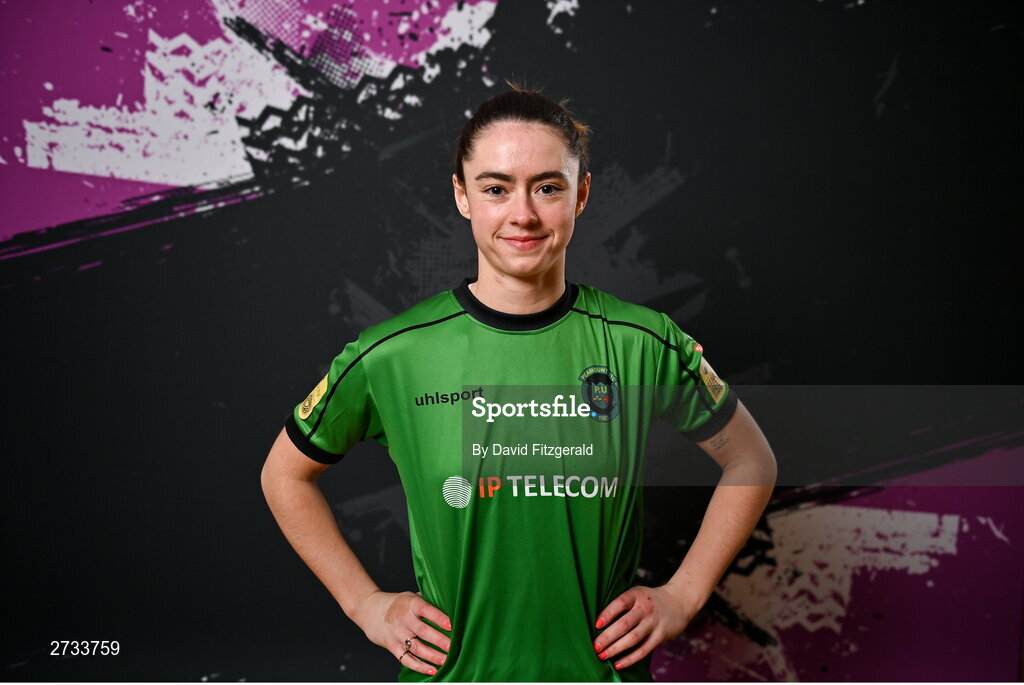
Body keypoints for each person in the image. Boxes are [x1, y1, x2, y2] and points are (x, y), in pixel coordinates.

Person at [260, 83, 777, 682]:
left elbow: (750, 462)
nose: (523, 214)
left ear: (581, 195)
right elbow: (284, 474)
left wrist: (683, 594)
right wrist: (365, 604)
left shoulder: (643, 342)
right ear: (462, 196)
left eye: (548, 187)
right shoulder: (391, 354)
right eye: (496, 188)